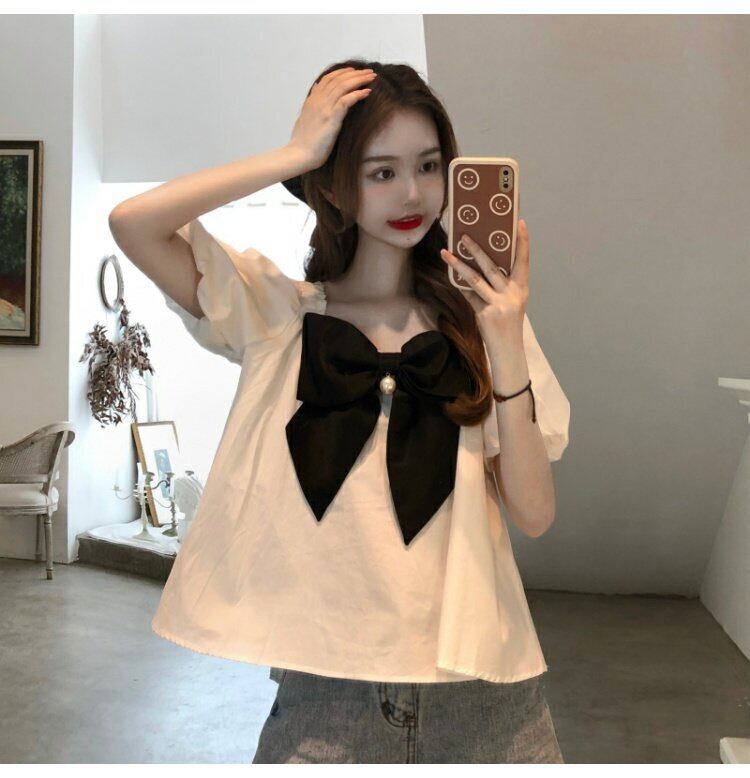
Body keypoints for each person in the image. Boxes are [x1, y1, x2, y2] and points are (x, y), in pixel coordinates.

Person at [109, 59, 570, 764]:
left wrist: (504, 341)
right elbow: (134, 223)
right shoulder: (277, 315)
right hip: (327, 696)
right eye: (380, 171)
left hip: (485, 692)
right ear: (332, 183)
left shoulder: (483, 322)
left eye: (428, 166)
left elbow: (534, 515)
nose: (412, 192)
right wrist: (295, 155)